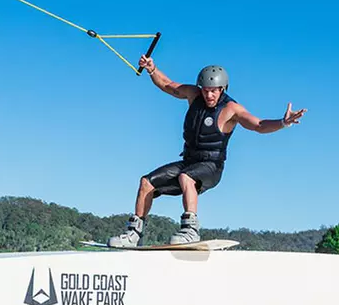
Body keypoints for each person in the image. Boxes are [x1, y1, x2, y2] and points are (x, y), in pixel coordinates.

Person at [108, 56, 307, 247]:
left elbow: (259, 125)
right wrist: (152, 69)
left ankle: (191, 230)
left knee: (186, 177)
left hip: (212, 166)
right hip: (189, 161)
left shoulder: (231, 109)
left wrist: (283, 122)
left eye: (213, 91)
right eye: (205, 90)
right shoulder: (193, 94)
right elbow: (168, 85)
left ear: (222, 89)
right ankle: (134, 234)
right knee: (146, 182)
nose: (208, 95)